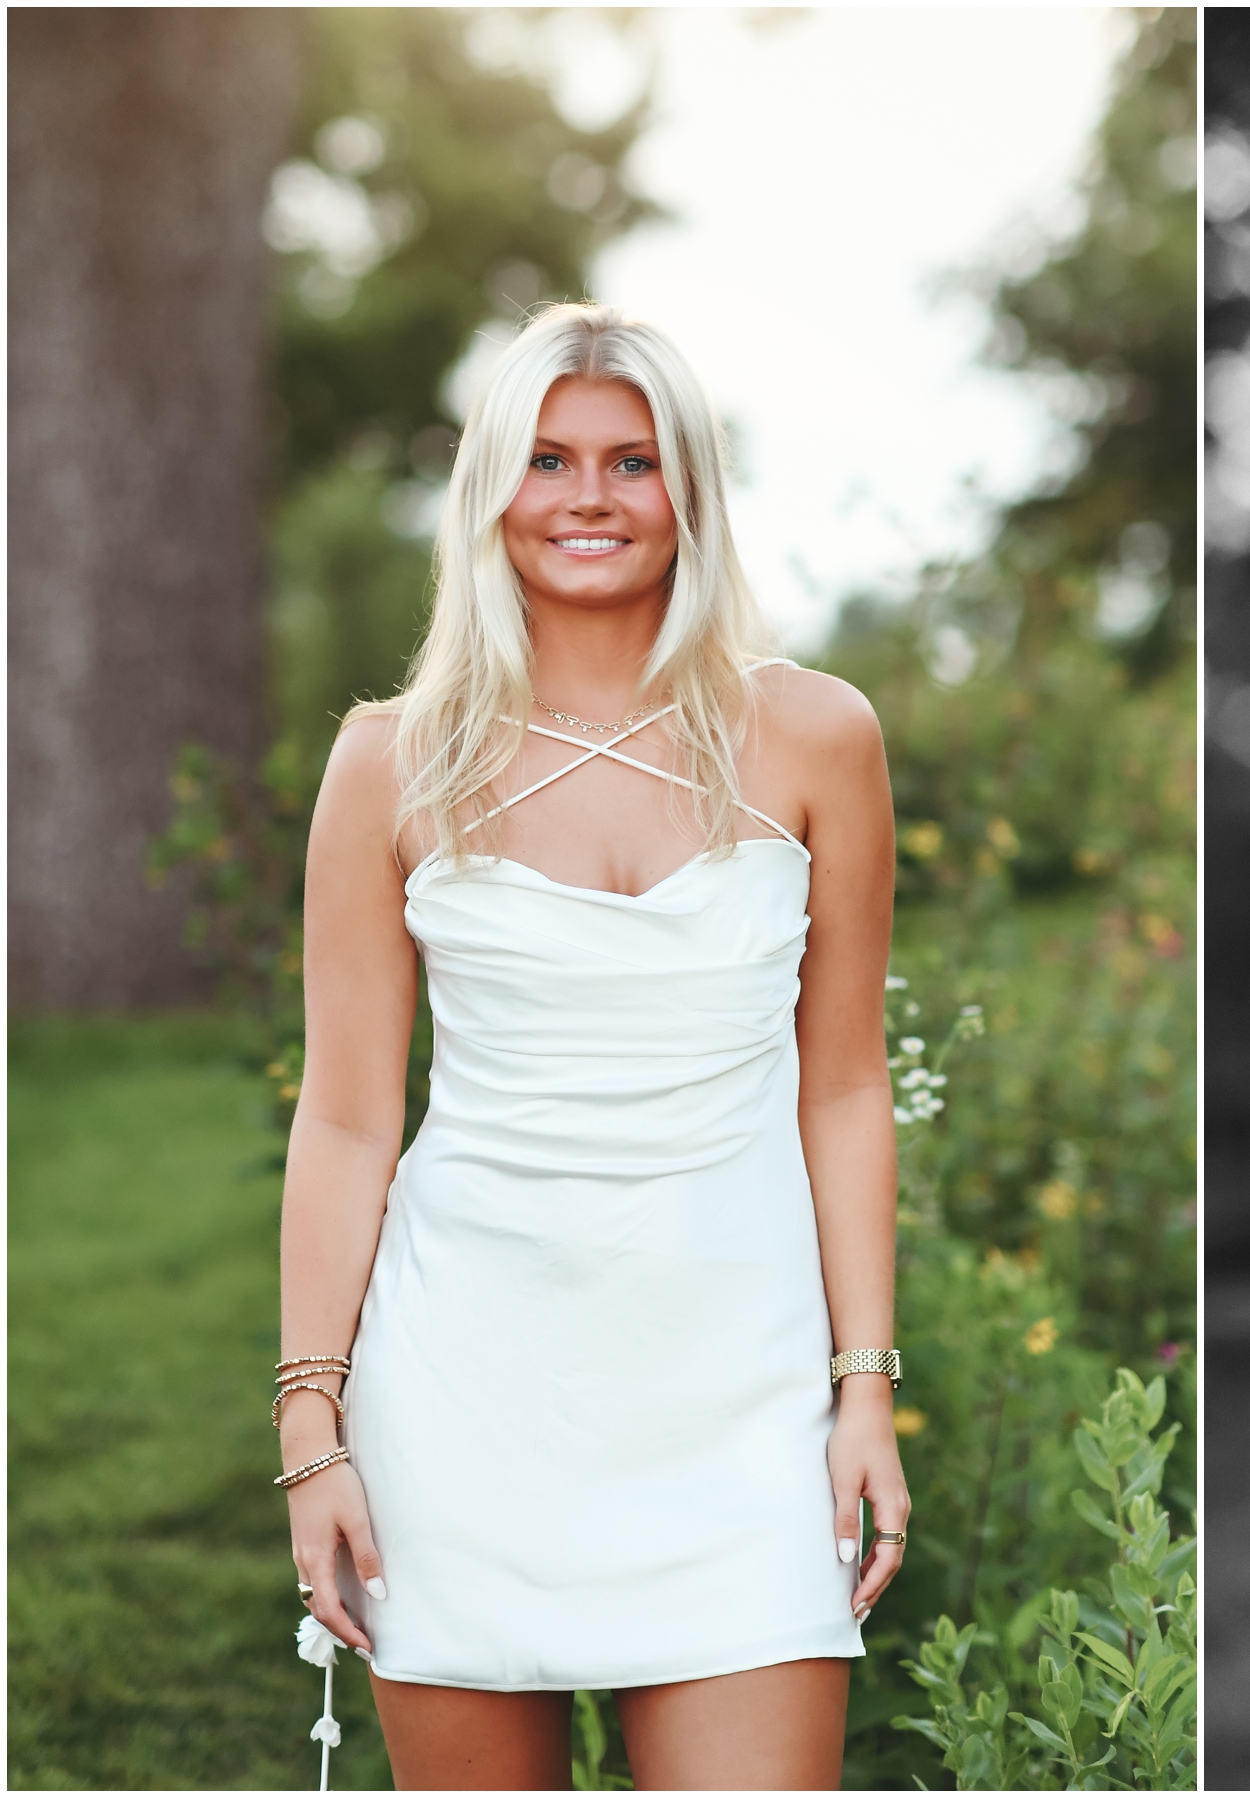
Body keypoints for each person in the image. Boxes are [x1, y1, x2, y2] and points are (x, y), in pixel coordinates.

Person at [274, 302, 909, 1789]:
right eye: (548, 459)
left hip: (740, 1415)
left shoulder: (817, 737)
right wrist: (315, 1424)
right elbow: (350, 1115)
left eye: (632, 462)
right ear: (491, 489)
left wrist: (862, 1386)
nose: (588, 498)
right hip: (463, 1396)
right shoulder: (389, 757)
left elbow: (847, 1084)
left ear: (689, 487)